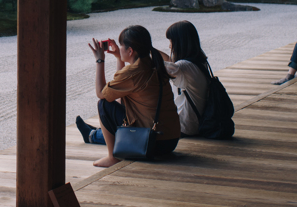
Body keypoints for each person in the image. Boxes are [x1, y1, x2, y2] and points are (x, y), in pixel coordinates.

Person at [77, 25, 181, 167]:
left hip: (151, 143)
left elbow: (101, 93)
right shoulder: (153, 64)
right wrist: (119, 57)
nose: (119, 48)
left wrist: (100, 60)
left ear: (130, 50)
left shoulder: (134, 72)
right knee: (117, 100)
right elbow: (120, 88)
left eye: (121, 46)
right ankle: (94, 136)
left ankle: (112, 157)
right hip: (170, 140)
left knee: (104, 104)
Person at [162, 21, 210, 137]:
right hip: (199, 122)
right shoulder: (199, 62)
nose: (169, 46)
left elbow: (157, 67)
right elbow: (171, 64)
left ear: (179, 41)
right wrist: (149, 48)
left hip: (186, 126)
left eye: (171, 41)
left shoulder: (183, 66)